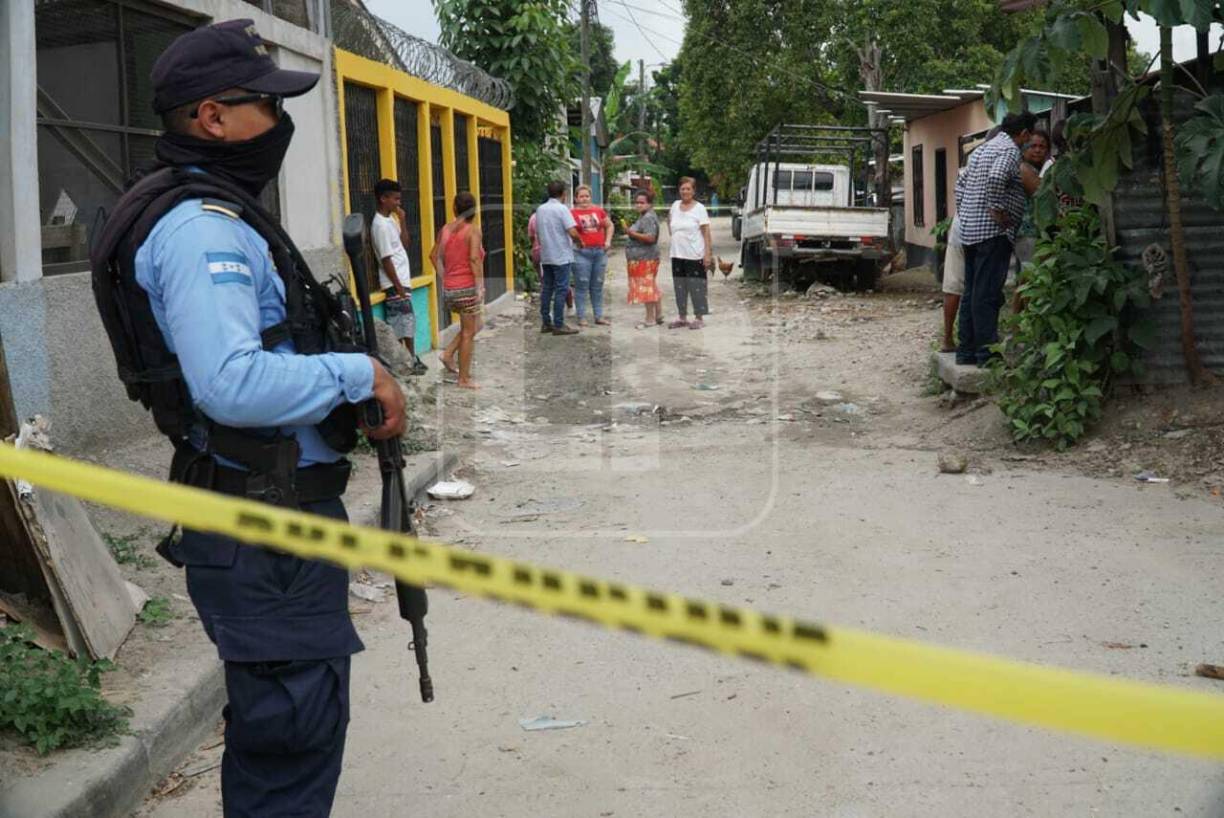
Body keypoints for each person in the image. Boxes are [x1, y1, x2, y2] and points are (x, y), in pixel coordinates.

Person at [94, 19, 406, 816]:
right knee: (291, 739)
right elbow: (230, 383)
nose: (279, 120)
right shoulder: (201, 230)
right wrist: (360, 373)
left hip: (268, 517)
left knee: (285, 729)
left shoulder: (215, 212)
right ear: (212, 117)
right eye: (265, 104)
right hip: (267, 530)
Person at [953, 110, 1036, 366]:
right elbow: (997, 177)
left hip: (970, 231)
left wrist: (967, 213)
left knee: (972, 292)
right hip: (993, 233)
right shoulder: (1009, 150)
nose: (1029, 142)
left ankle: (966, 351)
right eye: (1029, 137)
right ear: (1023, 133)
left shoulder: (982, 149)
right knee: (986, 294)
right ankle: (987, 354)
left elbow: (960, 186)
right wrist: (997, 210)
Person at [371, 178, 426, 375]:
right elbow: (386, 259)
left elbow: (405, 244)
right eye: (395, 199)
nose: (398, 203)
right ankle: (406, 363)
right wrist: (398, 287)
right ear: (383, 199)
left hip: (402, 281)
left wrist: (402, 220)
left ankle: (411, 360)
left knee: (407, 324)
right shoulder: (380, 225)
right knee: (400, 327)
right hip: (394, 284)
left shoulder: (391, 220)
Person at [432, 191, 485, 389]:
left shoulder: (445, 229)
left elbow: (433, 256)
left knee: (476, 325)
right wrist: (479, 286)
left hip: (450, 289)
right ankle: (463, 379)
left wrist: (446, 278)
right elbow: (474, 258)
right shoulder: (473, 231)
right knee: (469, 333)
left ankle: (448, 354)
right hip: (467, 288)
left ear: (454, 208)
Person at [535, 180, 582, 335]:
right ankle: (559, 324)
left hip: (546, 255)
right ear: (563, 194)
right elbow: (572, 231)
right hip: (561, 255)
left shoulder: (540, 209)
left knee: (547, 288)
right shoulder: (562, 209)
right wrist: (580, 242)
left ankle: (546, 322)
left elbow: (537, 231)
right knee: (562, 289)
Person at [667, 177, 713, 329]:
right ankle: (682, 317)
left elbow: (706, 233)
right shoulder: (675, 206)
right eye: (682, 189)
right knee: (679, 287)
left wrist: (707, 254)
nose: (685, 191)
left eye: (688, 189)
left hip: (695, 255)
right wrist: (676, 237)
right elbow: (669, 222)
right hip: (677, 254)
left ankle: (699, 318)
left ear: (693, 191)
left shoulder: (699, 208)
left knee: (697, 287)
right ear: (679, 190)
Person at [570, 185, 614, 327]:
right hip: (581, 253)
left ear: (590, 197)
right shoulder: (571, 213)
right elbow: (569, 231)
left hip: (599, 252)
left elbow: (609, 225)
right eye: (581, 196)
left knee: (597, 285)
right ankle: (581, 317)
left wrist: (608, 241)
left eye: (587, 196)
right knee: (582, 285)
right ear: (576, 198)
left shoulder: (598, 210)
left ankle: (599, 316)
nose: (584, 199)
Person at [622, 188, 662, 328]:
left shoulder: (648, 217)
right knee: (651, 285)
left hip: (645, 258)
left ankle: (650, 319)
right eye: (637, 202)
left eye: (642, 202)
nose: (639, 205)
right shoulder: (645, 216)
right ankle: (658, 314)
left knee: (646, 288)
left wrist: (630, 233)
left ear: (649, 204)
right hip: (644, 257)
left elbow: (650, 238)